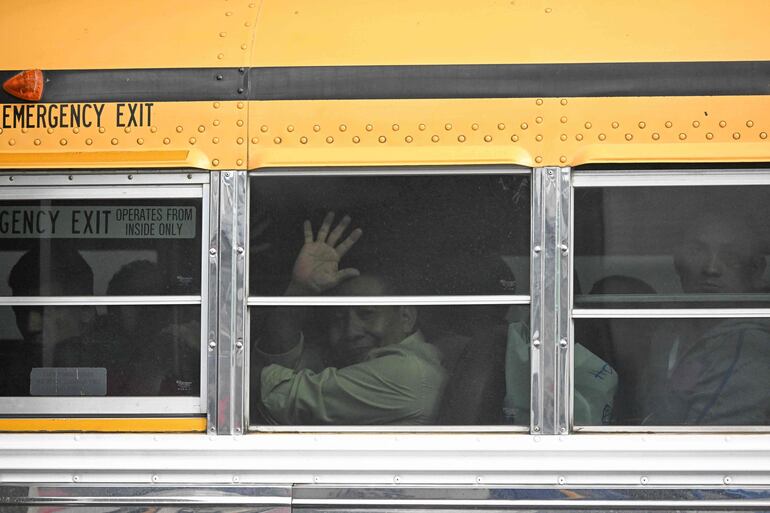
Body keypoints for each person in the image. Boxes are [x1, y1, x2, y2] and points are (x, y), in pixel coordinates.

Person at [256, 212, 448, 425]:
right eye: (338, 318)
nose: (350, 331)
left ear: (406, 316)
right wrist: (301, 289)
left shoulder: (406, 373)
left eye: (366, 314)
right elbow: (283, 367)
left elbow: (276, 396)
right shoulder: (360, 364)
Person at [641, 213, 770, 425]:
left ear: (756, 270)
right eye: (697, 251)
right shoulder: (666, 334)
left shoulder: (750, 344)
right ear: (677, 262)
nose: (711, 268)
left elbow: (714, 439)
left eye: (730, 256)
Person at [3, 244, 96, 396]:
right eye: (22, 311)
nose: (31, 324)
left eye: (46, 310)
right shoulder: (10, 375)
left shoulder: (119, 372)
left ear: (86, 310)